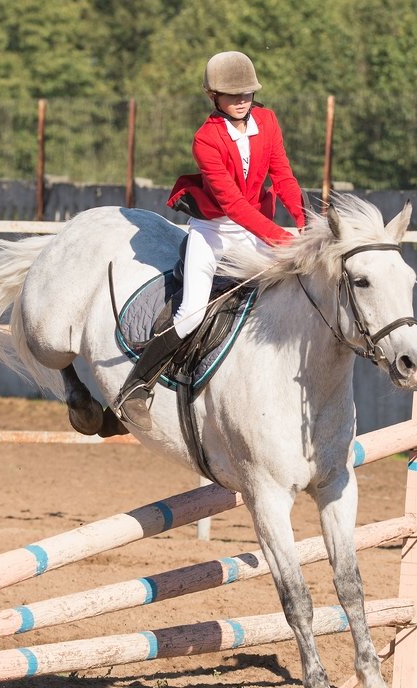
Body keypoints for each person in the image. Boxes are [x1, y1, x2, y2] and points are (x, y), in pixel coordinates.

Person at [112, 50, 307, 432]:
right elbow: (232, 204)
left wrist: (305, 223)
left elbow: (283, 176)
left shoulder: (267, 121)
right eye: (232, 96)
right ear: (213, 96)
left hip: (258, 227)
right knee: (192, 314)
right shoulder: (206, 138)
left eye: (247, 94)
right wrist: (280, 237)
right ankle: (135, 388)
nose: (241, 102)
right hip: (214, 230)